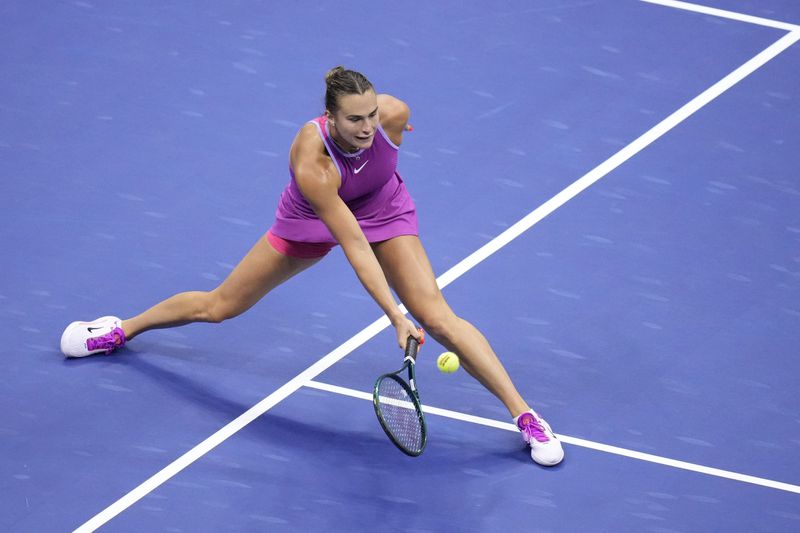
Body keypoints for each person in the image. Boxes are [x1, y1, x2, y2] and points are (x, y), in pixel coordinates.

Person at [60, 67, 564, 466]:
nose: (367, 127)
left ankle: (525, 416)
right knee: (220, 307)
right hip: (314, 221)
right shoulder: (313, 161)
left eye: (371, 115)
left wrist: (410, 313)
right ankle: (121, 329)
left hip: (385, 209)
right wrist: (393, 315)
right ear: (329, 117)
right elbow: (353, 245)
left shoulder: (391, 115)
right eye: (354, 120)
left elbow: (378, 180)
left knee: (436, 316)